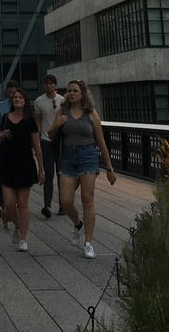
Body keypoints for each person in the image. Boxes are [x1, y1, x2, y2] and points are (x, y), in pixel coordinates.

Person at [49, 79, 116, 259]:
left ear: (83, 94)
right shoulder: (61, 111)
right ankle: (77, 223)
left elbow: (101, 143)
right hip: (68, 159)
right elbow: (51, 134)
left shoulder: (91, 114)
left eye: (75, 91)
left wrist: (109, 168)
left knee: (87, 199)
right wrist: (57, 124)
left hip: (87, 158)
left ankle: (88, 243)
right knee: (66, 200)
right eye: (69, 90)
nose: (71, 93)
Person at [0, 88, 44, 252]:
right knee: (9, 203)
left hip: (24, 163)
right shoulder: (6, 117)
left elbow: (37, 145)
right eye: (15, 97)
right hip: (7, 163)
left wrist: (41, 169)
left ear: (26, 101)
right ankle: (19, 226)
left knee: (24, 204)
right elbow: (0, 137)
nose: (17, 99)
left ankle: (23, 238)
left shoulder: (30, 120)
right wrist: (1, 136)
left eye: (20, 97)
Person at [34, 73, 65, 218]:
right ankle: (47, 204)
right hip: (46, 141)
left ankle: (63, 205)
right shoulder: (39, 101)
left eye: (51, 83)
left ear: (55, 85)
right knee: (48, 173)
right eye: (46, 83)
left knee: (61, 174)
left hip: (60, 142)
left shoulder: (63, 101)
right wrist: (39, 135)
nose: (49, 86)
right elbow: (38, 120)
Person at [0, 79, 18, 217]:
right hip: (3, 144)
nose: (12, 94)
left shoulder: (20, 105)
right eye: (10, 91)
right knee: (2, 174)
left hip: (18, 145)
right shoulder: (1, 106)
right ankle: (1, 202)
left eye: (14, 92)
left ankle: (14, 202)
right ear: (6, 91)